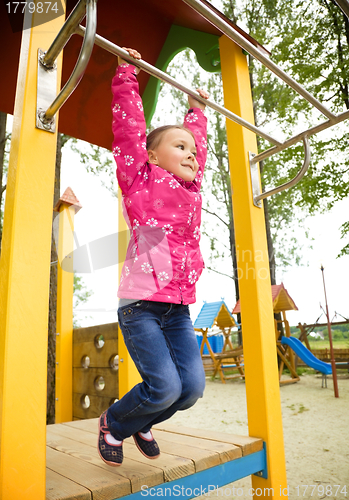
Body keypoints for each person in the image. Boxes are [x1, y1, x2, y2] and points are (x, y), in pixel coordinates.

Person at [98, 48, 209, 467]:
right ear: (152, 157)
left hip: (178, 309)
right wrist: (127, 76)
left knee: (191, 390)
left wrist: (196, 112)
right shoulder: (140, 181)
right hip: (141, 307)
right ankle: (114, 422)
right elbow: (129, 130)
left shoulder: (194, 191)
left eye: (193, 151)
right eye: (179, 146)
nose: (191, 154)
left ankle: (142, 422)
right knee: (163, 387)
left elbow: (198, 146)